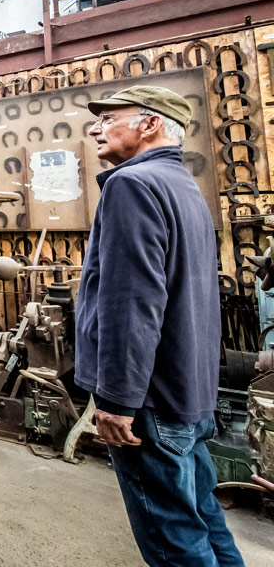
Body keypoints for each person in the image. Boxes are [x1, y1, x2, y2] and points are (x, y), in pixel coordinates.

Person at [78, 85, 242, 567]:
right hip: (188, 392)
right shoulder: (182, 184)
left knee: (174, 542)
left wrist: (117, 400)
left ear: (149, 123)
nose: (95, 127)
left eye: (108, 118)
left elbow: (133, 303)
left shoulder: (131, 185)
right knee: (204, 520)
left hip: (148, 402)